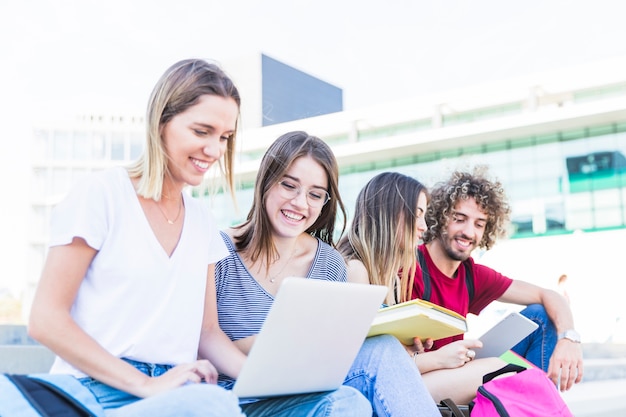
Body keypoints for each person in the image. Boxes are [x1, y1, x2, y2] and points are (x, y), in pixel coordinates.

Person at [27, 59, 367, 417]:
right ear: (162, 123)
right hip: (100, 388)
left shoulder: (203, 222)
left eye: (224, 137)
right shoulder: (102, 195)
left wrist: (265, 381)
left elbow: (208, 333)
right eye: (202, 131)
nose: (215, 150)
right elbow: (46, 319)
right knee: (212, 407)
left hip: (183, 393)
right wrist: (145, 384)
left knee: (346, 403)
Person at [215, 131, 440, 417]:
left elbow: (329, 354)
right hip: (231, 398)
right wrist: (278, 341)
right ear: (266, 182)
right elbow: (191, 348)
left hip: (302, 392)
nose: (300, 203)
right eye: (289, 185)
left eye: (315, 194)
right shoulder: (219, 250)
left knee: (382, 349)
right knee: (347, 403)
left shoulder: (329, 263)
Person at [409, 166, 584, 402]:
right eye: (459, 219)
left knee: (540, 317)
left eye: (479, 224)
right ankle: (538, 402)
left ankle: (535, 405)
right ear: (439, 218)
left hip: (460, 371)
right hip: (422, 382)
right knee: (502, 370)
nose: (468, 232)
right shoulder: (411, 267)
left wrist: (569, 339)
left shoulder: (472, 274)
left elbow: (548, 295)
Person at [337, 172, 506, 405]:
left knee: (499, 369)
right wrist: (438, 359)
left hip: (396, 377)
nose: (423, 226)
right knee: (495, 370)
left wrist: (414, 348)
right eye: (416, 215)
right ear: (389, 213)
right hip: (368, 387)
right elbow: (364, 362)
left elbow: (392, 353)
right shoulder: (355, 269)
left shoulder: (390, 275)